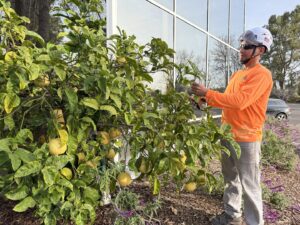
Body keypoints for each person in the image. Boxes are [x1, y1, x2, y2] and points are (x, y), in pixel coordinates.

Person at [191, 27, 273, 225]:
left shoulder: (262, 75)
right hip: (228, 135)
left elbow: (240, 101)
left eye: (246, 46)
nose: (241, 49)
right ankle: (232, 215)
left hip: (247, 139)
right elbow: (227, 100)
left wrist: (208, 93)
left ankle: (255, 223)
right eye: (241, 45)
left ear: (260, 50)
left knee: (250, 185)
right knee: (231, 180)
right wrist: (203, 100)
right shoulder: (237, 75)